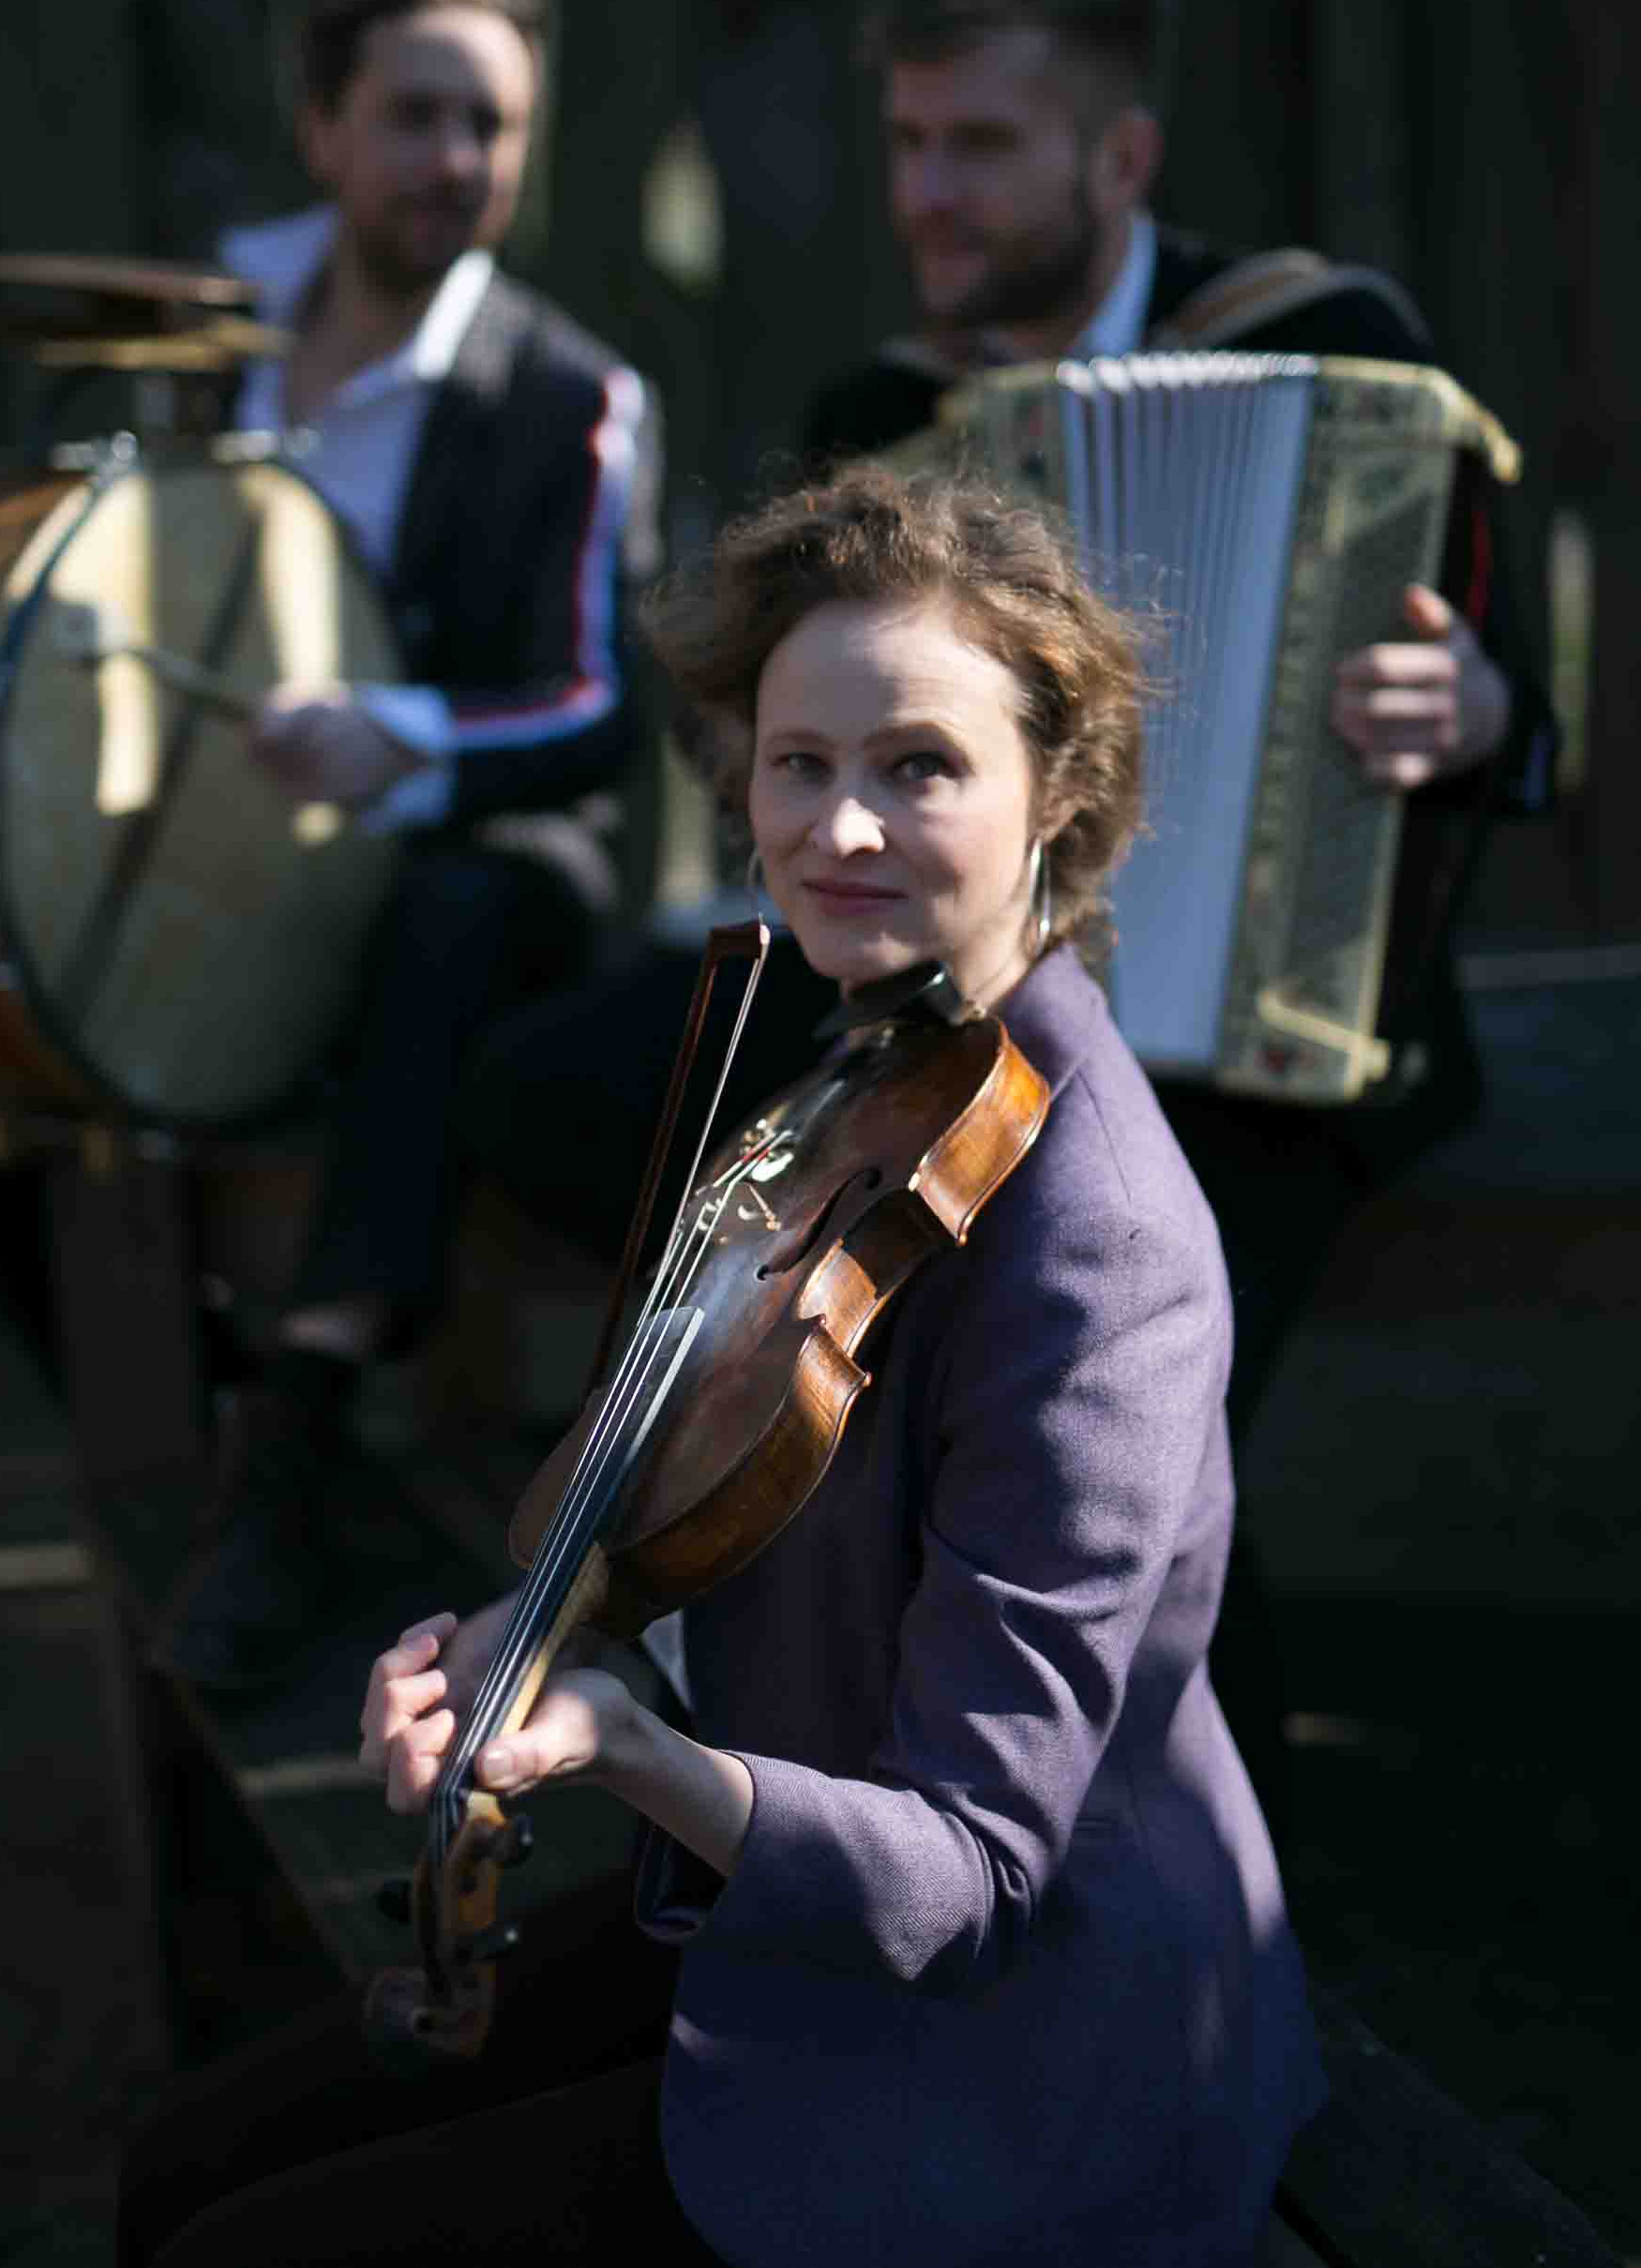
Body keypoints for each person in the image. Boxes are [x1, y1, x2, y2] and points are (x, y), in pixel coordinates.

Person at [117, 467, 1324, 2268]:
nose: (838, 828)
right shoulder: (864, 1063)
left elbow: (972, 1871)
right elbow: (722, 1548)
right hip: (774, 1898)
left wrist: (613, 1742)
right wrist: (519, 1649)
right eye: (797, 762)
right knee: (182, 2166)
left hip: (1013, 2060)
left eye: (918, 764)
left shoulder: (1096, 1240)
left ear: (1055, 794)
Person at [800, 0, 1558, 1819]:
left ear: (1116, 157)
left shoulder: (1334, 349)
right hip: (970, 1038)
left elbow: (1512, 714)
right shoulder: (878, 422)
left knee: (1109, 1377)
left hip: (1289, 1053)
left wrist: (1467, 710)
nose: (928, 194)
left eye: (977, 144)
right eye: (905, 140)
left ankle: (1184, 1896)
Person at [156, 0, 659, 1693]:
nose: (453, 156)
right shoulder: (199, 329)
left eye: (491, 124)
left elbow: (598, 708)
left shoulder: (568, 390)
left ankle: (293, 1429)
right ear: (322, 129)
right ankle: (201, 1414)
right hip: (207, 855)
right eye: (414, 115)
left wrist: (403, 742)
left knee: (458, 907)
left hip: (475, 871)